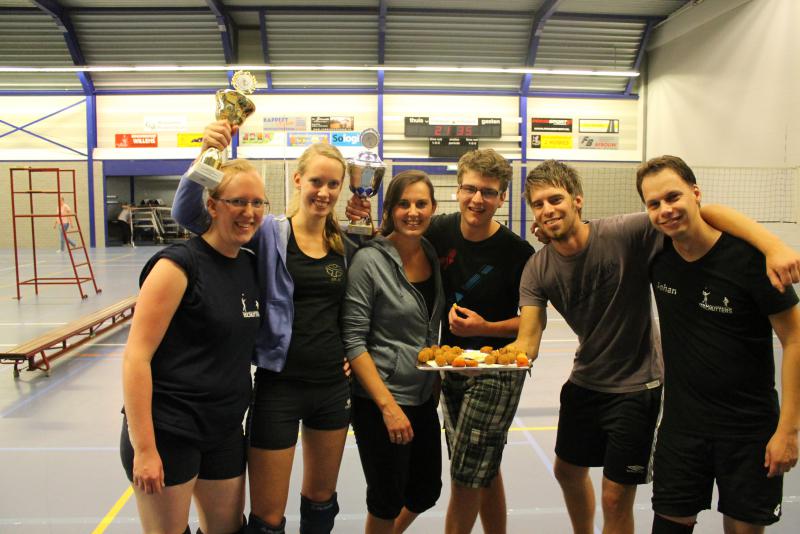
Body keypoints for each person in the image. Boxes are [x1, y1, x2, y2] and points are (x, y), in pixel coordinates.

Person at [508, 159, 800, 534]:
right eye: (539, 204)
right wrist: (484, 356)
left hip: (692, 407)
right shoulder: (650, 257)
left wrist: (772, 244)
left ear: (577, 200)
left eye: (555, 200)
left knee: (632, 501)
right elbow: (528, 338)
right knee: (588, 482)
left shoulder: (736, 258)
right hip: (652, 412)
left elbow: (707, 214)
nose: (665, 210)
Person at [172, 120, 356, 534]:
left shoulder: (344, 244)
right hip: (280, 386)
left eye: (333, 184)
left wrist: (354, 354)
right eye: (316, 181)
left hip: (332, 387)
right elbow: (188, 215)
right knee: (267, 518)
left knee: (321, 502)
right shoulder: (268, 233)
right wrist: (205, 156)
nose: (324, 192)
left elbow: (359, 309)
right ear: (298, 180)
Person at [347, 149, 534, 534]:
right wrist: (358, 222)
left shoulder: (518, 253)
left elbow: (532, 323)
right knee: (483, 466)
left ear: (502, 197)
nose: (477, 199)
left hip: (495, 369)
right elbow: (390, 244)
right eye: (470, 189)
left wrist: (488, 326)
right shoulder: (436, 232)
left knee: (466, 473)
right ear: (457, 191)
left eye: (489, 192)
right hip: (447, 369)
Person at [636, 155, 800, 534]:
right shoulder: (657, 256)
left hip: (749, 432)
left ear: (696, 193)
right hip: (681, 429)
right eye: (654, 204)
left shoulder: (750, 260)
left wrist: (789, 430)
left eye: (673, 197)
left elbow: (794, 339)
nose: (665, 210)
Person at [121, 159, 265, 534]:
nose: (249, 212)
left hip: (224, 429)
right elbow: (136, 357)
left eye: (257, 202)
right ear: (212, 205)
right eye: (238, 201)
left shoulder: (250, 265)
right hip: (169, 429)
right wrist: (145, 449)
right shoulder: (178, 266)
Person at [342, 170, 445, 534]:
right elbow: (354, 340)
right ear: (389, 210)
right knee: (385, 500)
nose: (412, 212)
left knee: (425, 491)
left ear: (433, 208)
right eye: (403, 204)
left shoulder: (431, 253)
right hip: (380, 401)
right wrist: (388, 408)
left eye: (421, 204)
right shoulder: (369, 261)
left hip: (422, 396)